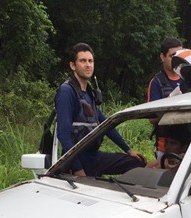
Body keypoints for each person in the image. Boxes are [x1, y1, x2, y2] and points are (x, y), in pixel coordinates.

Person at [55, 42, 145, 177]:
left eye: (90, 61)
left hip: (94, 157)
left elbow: (106, 125)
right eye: (82, 61)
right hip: (77, 161)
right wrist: (78, 170)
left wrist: (128, 150)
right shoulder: (67, 92)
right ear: (73, 65)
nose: (88, 65)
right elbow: (63, 134)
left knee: (137, 163)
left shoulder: (88, 93)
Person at [146, 37, 184, 160]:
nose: (176, 60)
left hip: (189, 142)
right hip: (166, 145)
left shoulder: (188, 78)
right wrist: (170, 102)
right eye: (173, 56)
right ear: (162, 57)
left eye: (180, 55)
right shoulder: (157, 83)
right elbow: (152, 118)